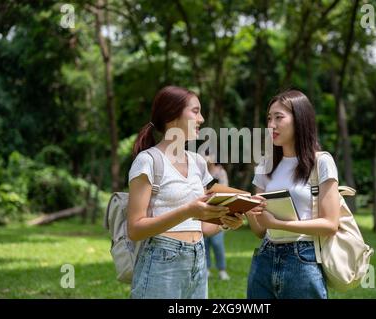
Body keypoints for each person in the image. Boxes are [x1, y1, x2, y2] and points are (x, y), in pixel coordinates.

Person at [127, 85, 244, 299]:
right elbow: (135, 229)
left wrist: (226, 221)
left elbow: (203, 228)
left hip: (198, 258)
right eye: (195, 111)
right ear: (172, 115)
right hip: (162, 259)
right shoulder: (148, 161)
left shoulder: (198, 162)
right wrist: (188, 210)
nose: (202, 119)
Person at [245, 89, 341, 299]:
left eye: (279, 117)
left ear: (300, 119)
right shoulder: (265, 165)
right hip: (264, 259)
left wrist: (278, 224)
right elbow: (260, 231)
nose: (271, 125)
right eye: (269, 118)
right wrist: (248, 209)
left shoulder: (321, 162)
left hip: (302, 260)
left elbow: (330, 224)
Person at [203, 154, 231, 281]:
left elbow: (225, 190)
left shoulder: (220, 172)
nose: (207, 157)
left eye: (209, 154)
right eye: (205, 154)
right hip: (204, 210)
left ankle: (222, 270)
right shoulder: (200, 170)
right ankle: (207, 269)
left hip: (219, 210)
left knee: (217, 242)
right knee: (205, 242)